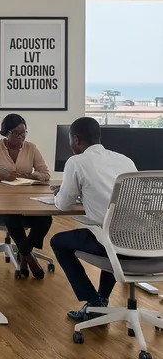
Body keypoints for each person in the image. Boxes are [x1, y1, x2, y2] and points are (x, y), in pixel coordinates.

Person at [50, 117, 138, 321]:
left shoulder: (77, 162)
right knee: (110, 230)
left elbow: (63, 205)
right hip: (141, 241)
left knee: (59, 242)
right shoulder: (125, 160)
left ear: (76, 140)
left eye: (70, 140)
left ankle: (93, 303)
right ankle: (102, 300)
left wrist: (62, 192)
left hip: (111, 241)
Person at [0, 114, 52, 279]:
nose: (21, 137)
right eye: (17, 134)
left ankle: (24, 253)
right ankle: (29, 258)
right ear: (6, 133)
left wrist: (30, 175)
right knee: (11, 216)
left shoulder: (31, 147)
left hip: (26, 199)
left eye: (24, 133)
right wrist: (0, 176)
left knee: (46, 219)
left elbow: (45, 173)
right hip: (0, 200)